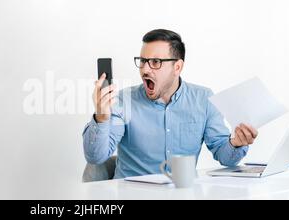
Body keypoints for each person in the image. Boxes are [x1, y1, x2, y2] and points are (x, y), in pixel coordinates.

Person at [82, 29, 258, 179]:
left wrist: (236, 143)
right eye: (142, 61)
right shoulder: (122, 101)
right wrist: (101, 117)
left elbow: (224, 155)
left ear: (177, 67)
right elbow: (96, 157)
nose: (145, 69)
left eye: (155, 62)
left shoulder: (203, 100)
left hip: (182, 193)